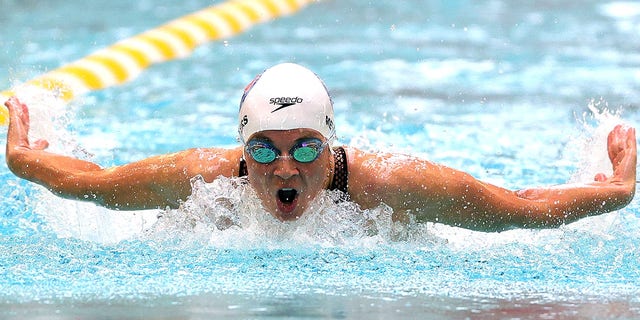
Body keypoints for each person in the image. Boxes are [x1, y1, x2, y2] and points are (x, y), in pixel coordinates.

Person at [4, 63, 637, 232]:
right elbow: (91, 183)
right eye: (266, 150)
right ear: (243, 149)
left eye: (305, 149)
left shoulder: (387, 184)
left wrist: (613, 190)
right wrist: (26, 156)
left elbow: (517, 207)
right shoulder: (204, 179)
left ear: (330, 147)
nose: (285, 168)